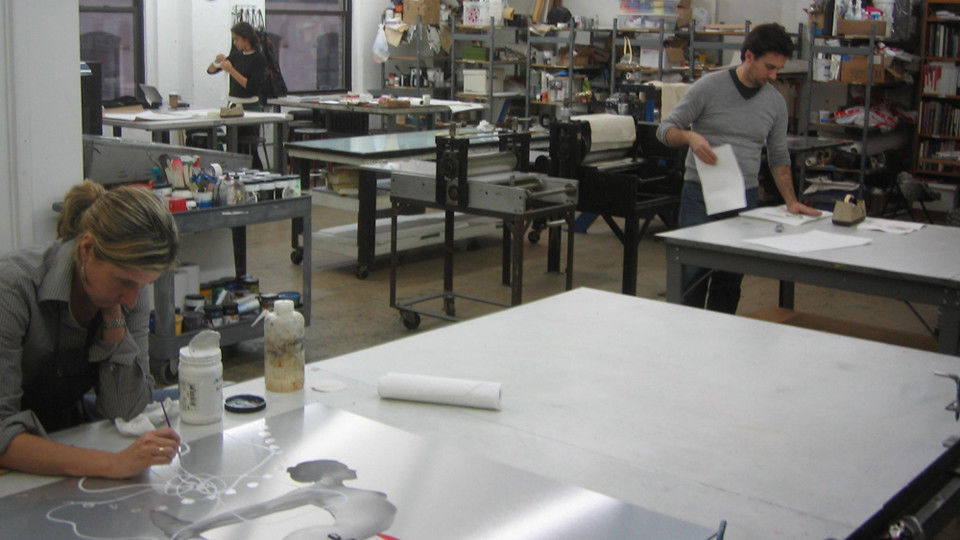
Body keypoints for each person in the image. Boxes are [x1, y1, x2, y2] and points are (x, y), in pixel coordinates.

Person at [0, 181, 181, 478]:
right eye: (124, 282)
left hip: (68, 431)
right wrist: (113, 464)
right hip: (20, 453)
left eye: (143, 285)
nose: (132, 299)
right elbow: (2, 432)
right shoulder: (12, 288)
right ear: (86, 250)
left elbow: (126, 408)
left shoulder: (128, 290)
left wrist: (113, 319)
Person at [657, 22, 821, 314]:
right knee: (691, 275)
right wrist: (689, 137)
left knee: (729, 280)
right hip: (701, 194)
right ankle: (684, 334)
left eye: (778, 69)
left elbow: (778, 156)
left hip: (744, 198)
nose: (774, 76)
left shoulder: (775, 103)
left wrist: (791, 201)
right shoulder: (709, 87)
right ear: (748, 56)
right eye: (769, 67)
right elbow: (665, 130)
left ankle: (721, 335)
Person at [151, 460, 397, 539]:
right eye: (344, 466)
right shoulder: (320, 491)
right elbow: (263, 508)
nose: (351, 469)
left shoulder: (344, 491)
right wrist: (196, 527)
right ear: (329, 469)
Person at [207, 21, 267, 169]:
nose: (235, 43)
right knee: (233, 145)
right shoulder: (236, 56)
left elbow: (251, 86)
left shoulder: (259, 59)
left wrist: (231, 70)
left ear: (246, 39)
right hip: (233, 105)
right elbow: (211, 71)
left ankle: (257, 172)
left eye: (237, 39)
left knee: (249, 148)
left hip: (250, 107)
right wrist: (217, 61)